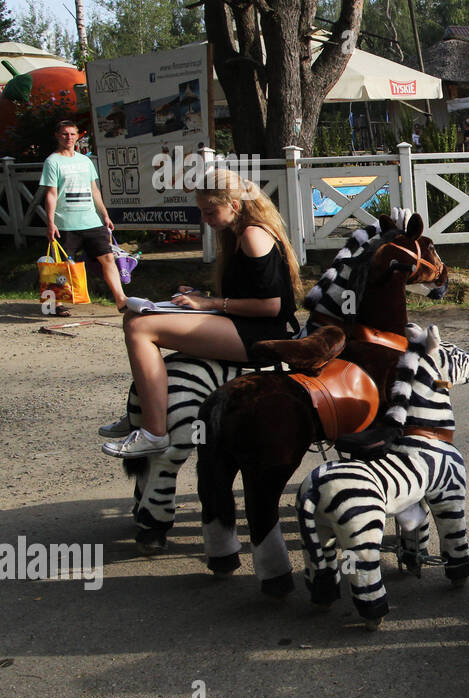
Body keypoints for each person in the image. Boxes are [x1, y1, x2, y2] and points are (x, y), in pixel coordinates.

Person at [101, 170, 303, 457]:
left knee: (139, 328)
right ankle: (146, 409)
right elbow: (245, 292)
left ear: (233, 205)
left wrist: (209, 304)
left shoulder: (253, 235)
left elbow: (271, 306)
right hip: (241, 325)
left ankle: (154, 432)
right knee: (134, 318)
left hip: (261, 335)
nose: (205, 220)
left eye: (210, 212)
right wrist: (199, 296)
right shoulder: (236, 234)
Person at [40, 119, 129, 315]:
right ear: (57, 136)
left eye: (72, 134)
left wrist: (104, 215)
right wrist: (51, 222)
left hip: (91, 221)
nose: (69, 138)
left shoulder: (85, 161)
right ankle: (55, 304)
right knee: (61, 265)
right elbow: (51, 194)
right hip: (65, 222)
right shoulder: (52, 161)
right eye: (64, 134)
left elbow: (95, 190)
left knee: (107, 257)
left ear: (78, 135)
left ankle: (121, 299)